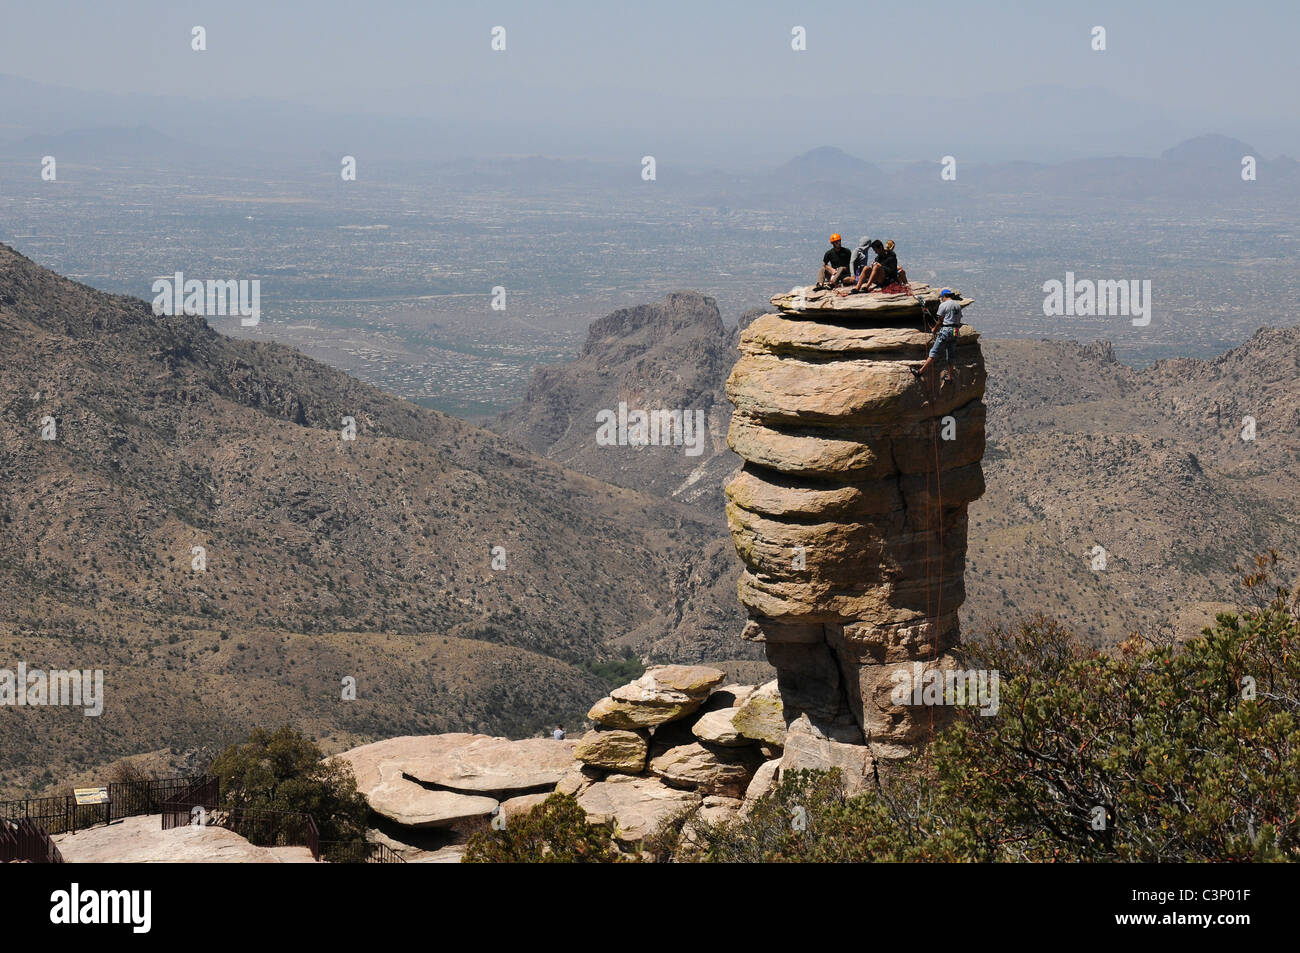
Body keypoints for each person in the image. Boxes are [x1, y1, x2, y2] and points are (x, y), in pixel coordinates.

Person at [912, 289, 963, 385]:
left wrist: (934, 329)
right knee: (951, 354)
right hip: (955, 331)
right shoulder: (957, 305)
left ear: (944, 296)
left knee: (934, 352)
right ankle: (950, 377)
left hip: (946, 330)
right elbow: (958, 318)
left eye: (941, 298)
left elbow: (940, 321)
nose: (941, 300)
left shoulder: (943, 305)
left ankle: (920, 372)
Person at [838, 240, 909, 294]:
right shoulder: (877, 258)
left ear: (880, 248)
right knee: (866, 268)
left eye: (876, 250)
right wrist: (874, 265)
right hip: (879, 279)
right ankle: (857, 288)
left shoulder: (891, 256)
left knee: (877, 266)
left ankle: (866, 287)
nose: (875, 252)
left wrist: (881, 266)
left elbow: (892, 271)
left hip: (888, 279)